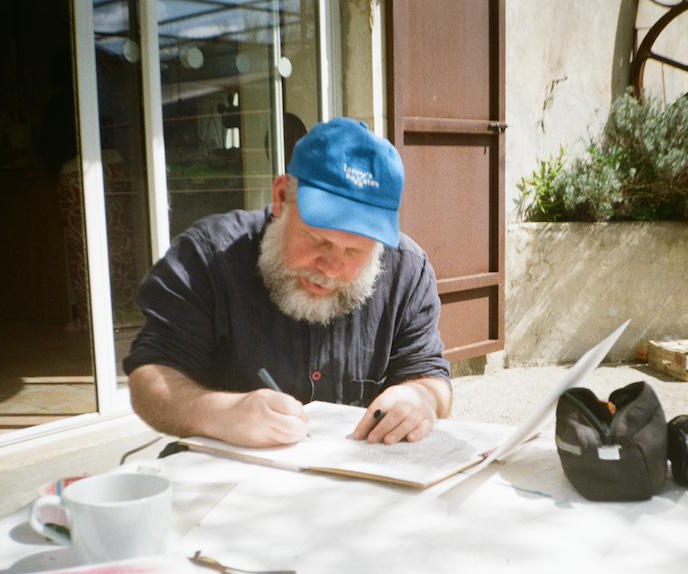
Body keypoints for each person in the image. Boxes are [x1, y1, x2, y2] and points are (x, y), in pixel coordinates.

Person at [123, 117, 452, 448]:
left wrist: (419, 397)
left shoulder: (407, 270)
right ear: (281, 197)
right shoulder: (207, 256)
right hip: (229, 480)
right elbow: (150, 375)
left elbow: (432, 378)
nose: (332, 268)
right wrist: (218, 412)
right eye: (317, 239)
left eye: (356, 251)